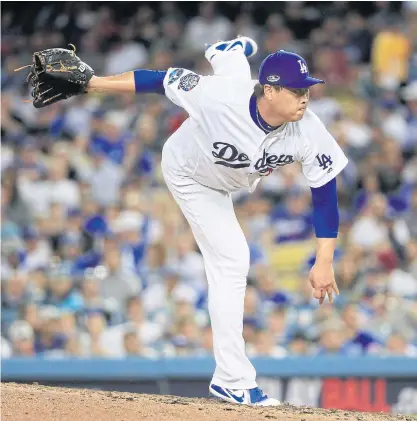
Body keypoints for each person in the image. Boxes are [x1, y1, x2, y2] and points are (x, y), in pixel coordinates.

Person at [52, 37, 347, 406]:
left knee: (233, 71)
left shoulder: (309, 129)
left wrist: (324, 260)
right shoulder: (218, 97)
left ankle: (228, 52)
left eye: (307, 89)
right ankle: (232, 380)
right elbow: (159, 80)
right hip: (190, 173)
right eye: (297, 90)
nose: (305, 97)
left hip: (231, 181)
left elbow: (324, 194)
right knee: (233, 260)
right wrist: (93, 83)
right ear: (270, 91)